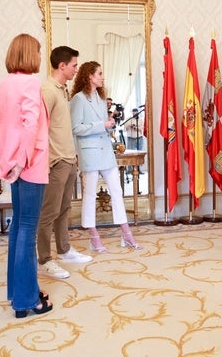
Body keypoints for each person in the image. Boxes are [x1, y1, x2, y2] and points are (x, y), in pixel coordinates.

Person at [0, 33, 53, 318]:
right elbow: (30, 125)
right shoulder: (30, 82)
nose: (40, 57)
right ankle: (27, 301)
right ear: (30, 54)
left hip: (14, 164)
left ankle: (18, 292)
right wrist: (20, 160)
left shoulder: (5, 84)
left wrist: (6, 157)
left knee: (18, 227)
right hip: (29, 164)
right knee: (27, 229)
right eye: (38, 52)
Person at [70, 61, 142, 253]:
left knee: (117, 191)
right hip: (90, 153)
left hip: (105, 151)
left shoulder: (101, 98)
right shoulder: (78, 99)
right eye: (99, 73)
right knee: (90, 195)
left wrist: (108, 123)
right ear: (89, 76)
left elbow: (102, 124)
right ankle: (93, 236)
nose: (102, 76)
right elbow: (75, 128)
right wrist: (102, 125)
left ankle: (126, 233)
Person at [36, 46, 92, 281]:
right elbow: (39, 128)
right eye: (74, 66)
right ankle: (44, 260)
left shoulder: (62, 90)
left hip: (69, 159)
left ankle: (65, 249)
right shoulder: (47, 90)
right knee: (48, 212)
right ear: (62, 66)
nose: (76, 70)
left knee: (64, 210)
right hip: (56, 161)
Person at [124, 107, 145, 175]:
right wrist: (130, 126)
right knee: (129, 154)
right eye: (133, 112)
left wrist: (136, 128)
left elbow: (142, 129)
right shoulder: (129, 119)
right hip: (131, 138)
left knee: (139, 155)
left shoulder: (141, 120)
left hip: (139, 138)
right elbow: (125, 128)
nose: (134, 113)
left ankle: (139, 169)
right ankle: (129, 170)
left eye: (136, 112)